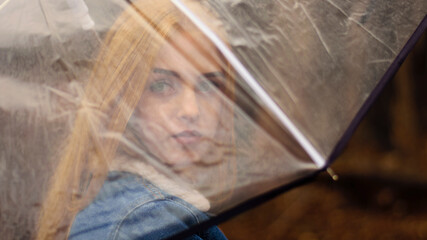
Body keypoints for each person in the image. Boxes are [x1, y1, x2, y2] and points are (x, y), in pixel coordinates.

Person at [36, 0, 235, 239]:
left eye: (207, 85)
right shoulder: (148, 223)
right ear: (125, 99)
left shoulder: (114, 202)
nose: (190, 110)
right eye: (162, 85)